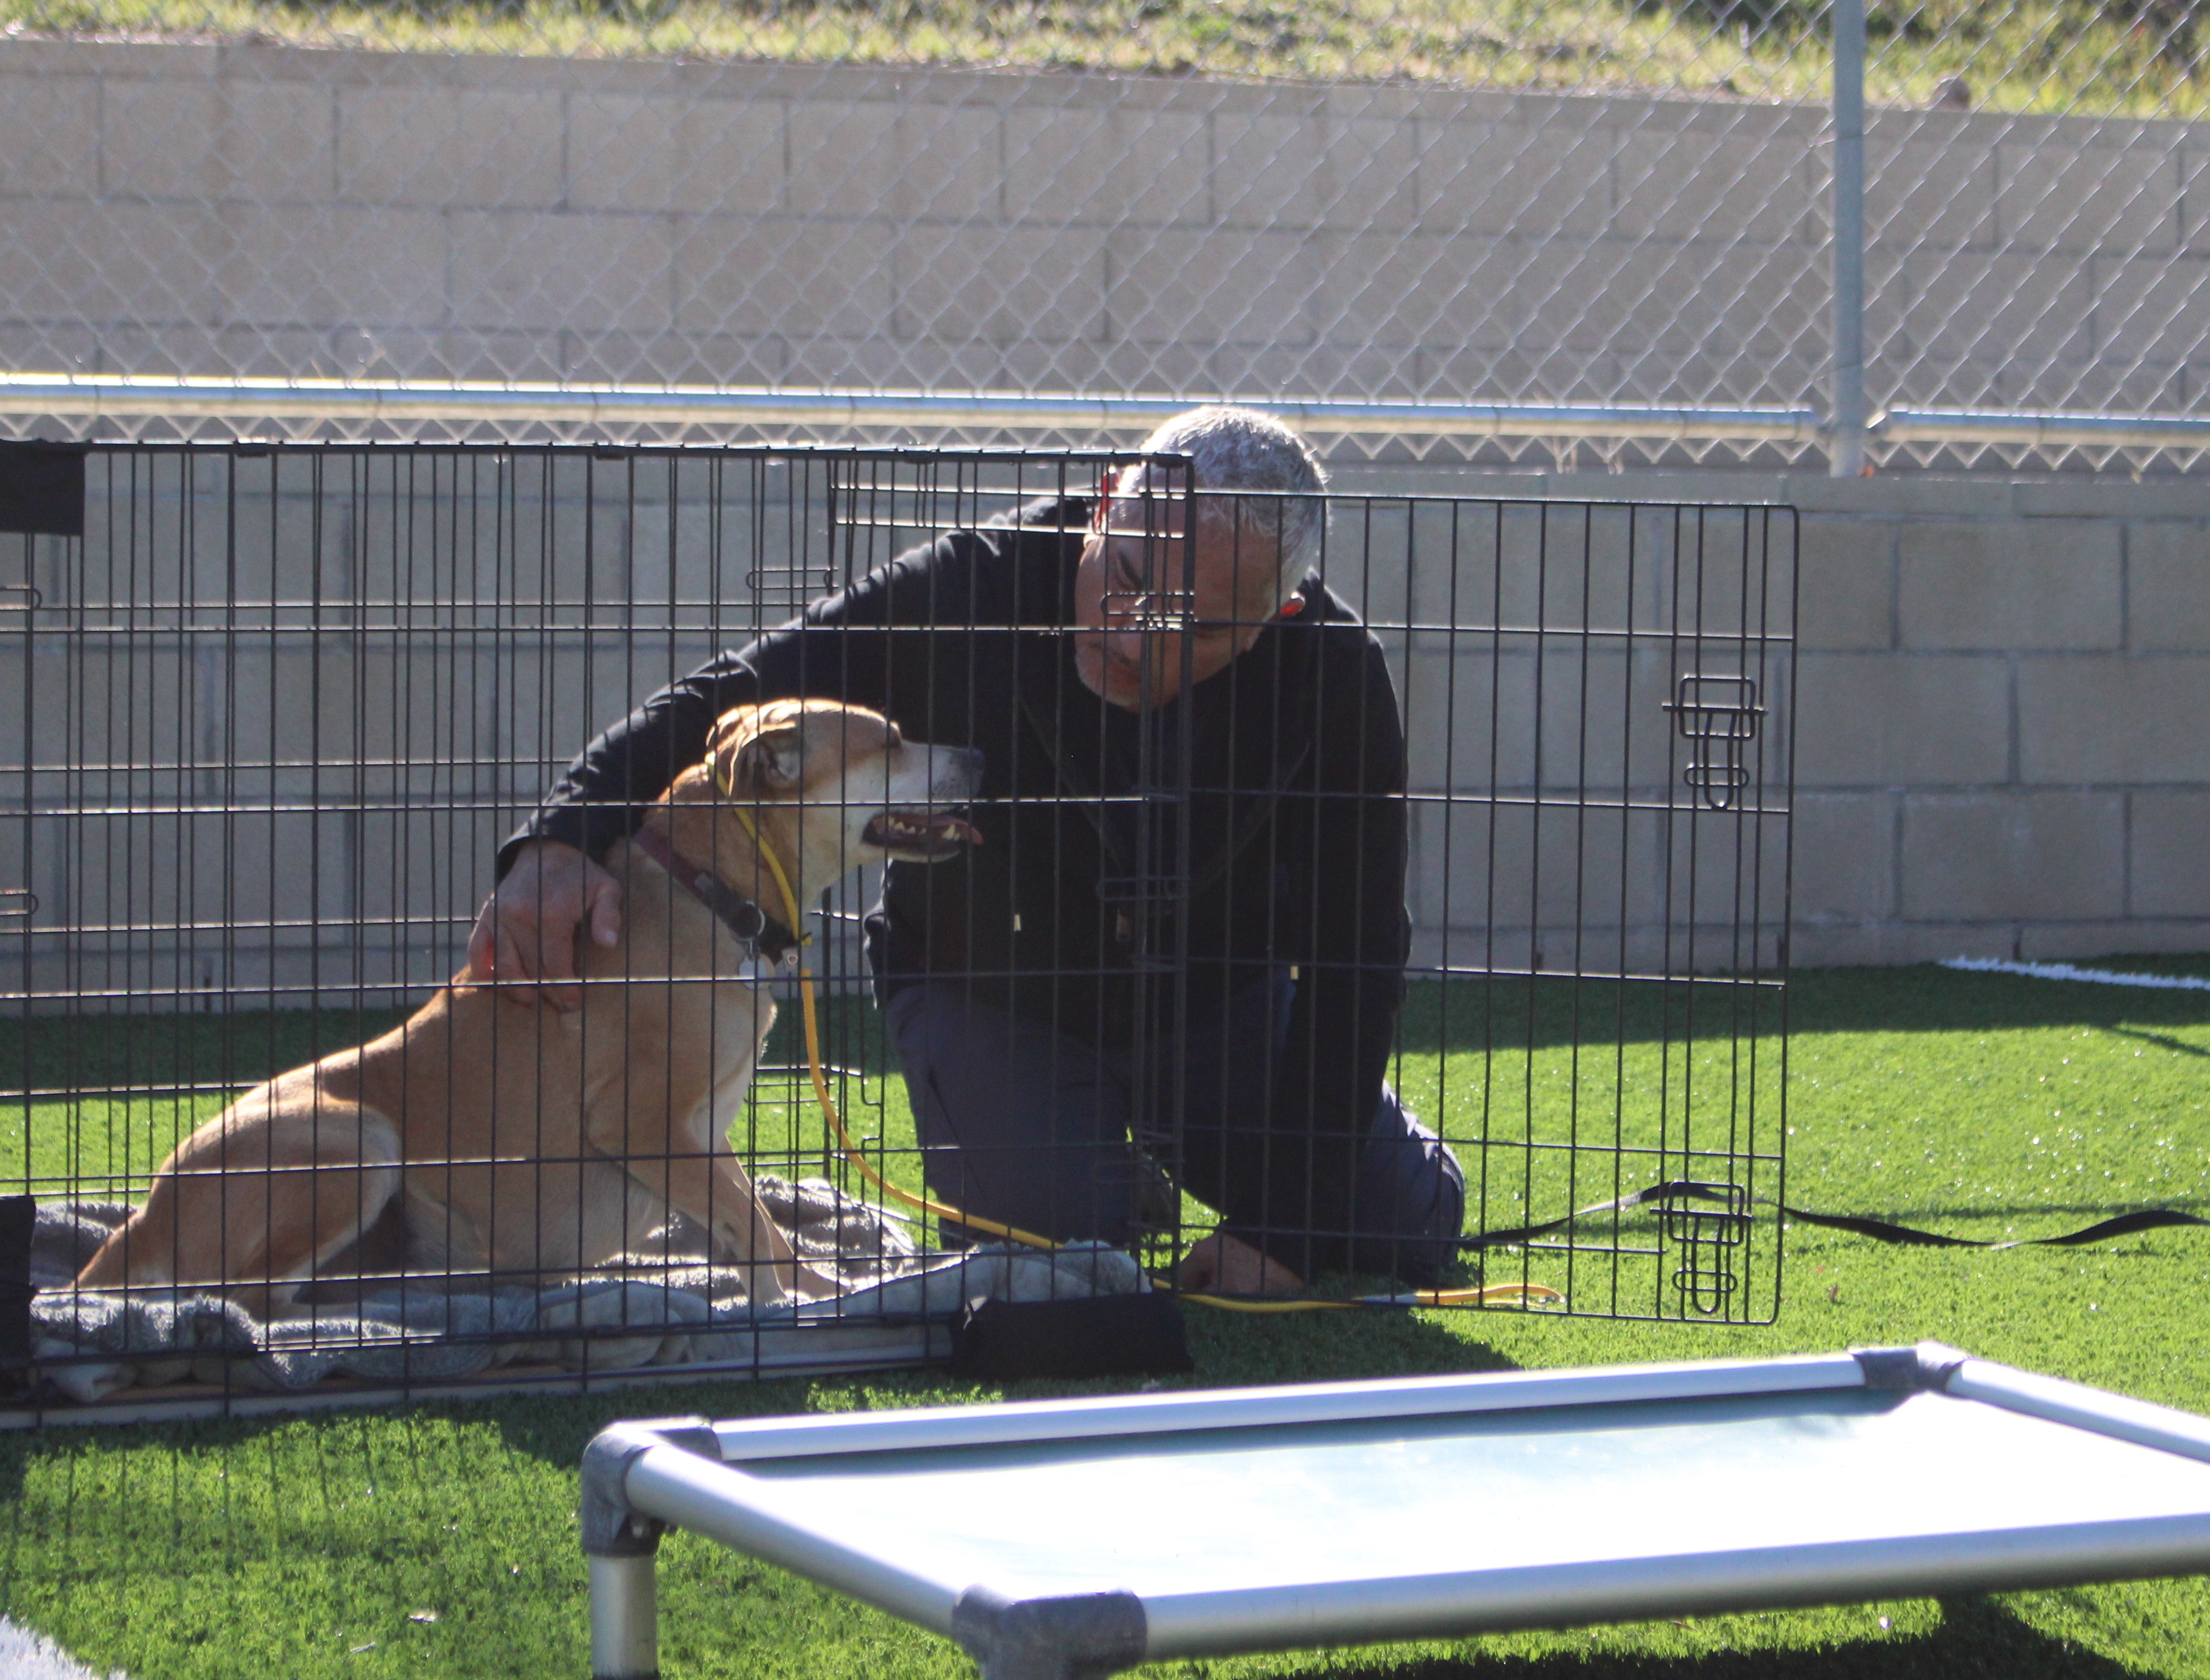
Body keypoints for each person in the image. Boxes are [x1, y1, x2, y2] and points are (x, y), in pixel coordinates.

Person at [464, 406, 1463, 1296]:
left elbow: (1357, 956)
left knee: (1399, 1227)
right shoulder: (978, 581)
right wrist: (563, 833)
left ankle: (1191, 1159)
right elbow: (738, 697)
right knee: (1054, 1267)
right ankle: (1101, 1171)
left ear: (1275, 618)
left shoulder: (1335, 677)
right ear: (1105, 502)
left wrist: (1282, 1228)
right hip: (993, 993)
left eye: (1191, 627)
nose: (1130, 637)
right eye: (1125, 579)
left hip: (1212, 1007)